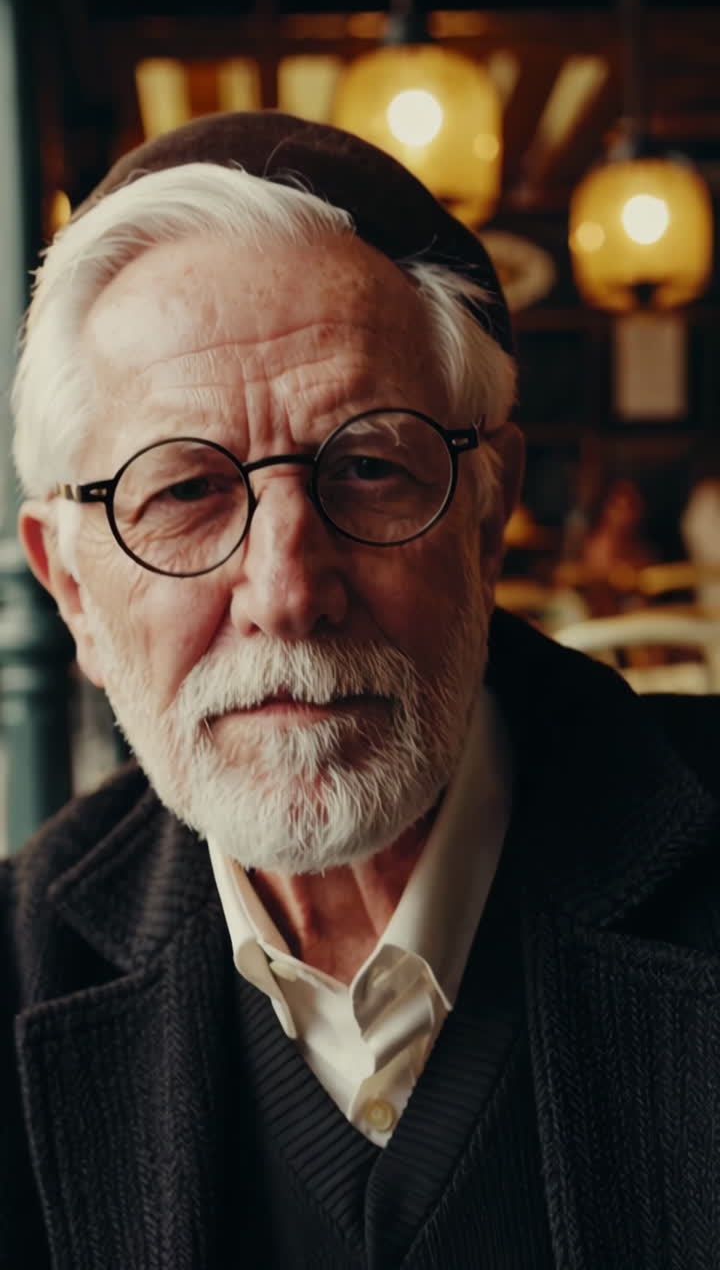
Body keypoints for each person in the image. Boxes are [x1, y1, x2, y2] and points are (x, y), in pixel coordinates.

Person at [2, 112, 720, 1270]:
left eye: (371, 467)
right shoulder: (21, 966)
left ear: (487, 515)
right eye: (183, 490)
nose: (286, 590)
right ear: (74, 589)